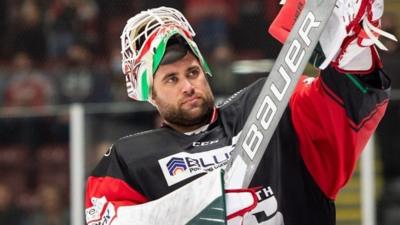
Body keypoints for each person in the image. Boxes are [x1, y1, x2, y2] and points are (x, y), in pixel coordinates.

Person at [85, 1, 395, 224]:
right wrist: (207, 202)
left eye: (192, 72)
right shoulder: (127, 160)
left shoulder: (266, 102)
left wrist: (353, 55)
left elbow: (345, 104)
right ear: (148, 94)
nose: (188, 86)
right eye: (171, 79)